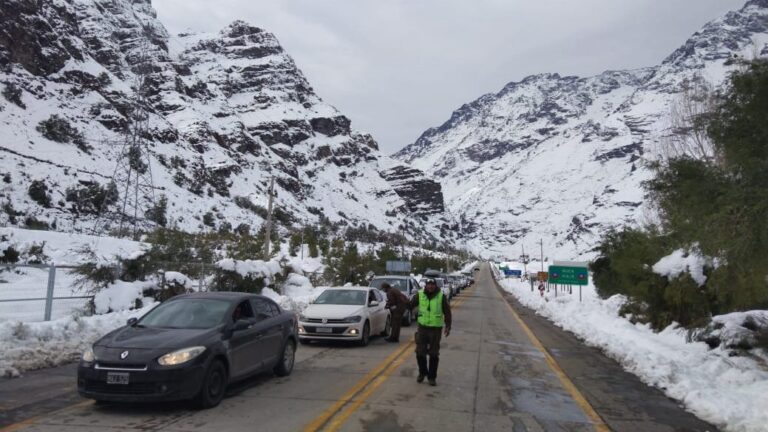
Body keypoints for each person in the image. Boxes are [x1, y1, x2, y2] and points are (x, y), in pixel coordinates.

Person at [409, 277, 451, 386]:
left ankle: (432, 377)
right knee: (419, 352)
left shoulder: (441, 296)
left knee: (433, 354)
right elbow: (410, 305)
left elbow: (447, 311)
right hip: (422, 328)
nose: (430, 286)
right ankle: (422, 373)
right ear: (426, 285)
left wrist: (448, 326)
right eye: (429, 284)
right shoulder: (420, 294)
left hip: (435, 329)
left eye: (432, 285)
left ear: (435, 285)